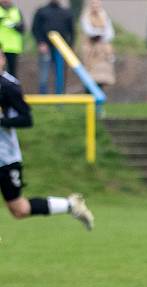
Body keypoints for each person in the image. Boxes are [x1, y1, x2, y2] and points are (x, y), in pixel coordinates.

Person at [0, 50, 94, 230]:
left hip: (5, 157)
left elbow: (27, 119)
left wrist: (2, 121)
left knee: (19, 209)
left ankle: (70, 205)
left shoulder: (8, 86)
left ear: (3, 59)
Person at [32, 0, 73, 94]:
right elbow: (35, 28)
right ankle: (43, 97)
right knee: (44, 74)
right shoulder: (41, 11)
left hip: (61, 48)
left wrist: (69, 46)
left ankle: (59, 97)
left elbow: (72, 31)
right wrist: (41, 43)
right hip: (45, 47)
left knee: (60, 74)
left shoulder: (66, 12)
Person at [80, 0, 115, 90]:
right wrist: (97, 33)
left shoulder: (104, 15)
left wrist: (102, 35)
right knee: (90, 74)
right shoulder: (86, 16)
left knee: (101, 76)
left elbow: (109, 32)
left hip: (102, 49)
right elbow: (88, 30)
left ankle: (99, 96)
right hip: (90, 49)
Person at [0, 0, 24, 77]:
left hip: (13, 47)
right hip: (1, 47)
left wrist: (15, 26)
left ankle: (11, 88)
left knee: (12, 73)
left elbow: (23, 29)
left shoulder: (16, 10)